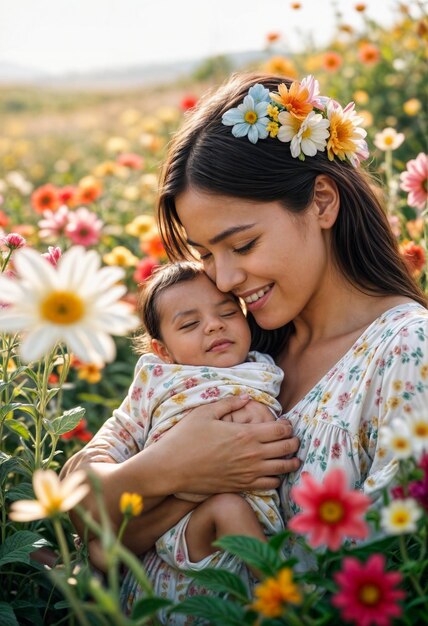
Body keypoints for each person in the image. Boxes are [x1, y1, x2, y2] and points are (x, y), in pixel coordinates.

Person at [62, 71, 428, 619]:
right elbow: (79, 497)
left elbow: (386, 581)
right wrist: (173, 467)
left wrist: (143, 507)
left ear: (322, 202)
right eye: (206, 253)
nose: (225, 278)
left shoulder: (405, 353)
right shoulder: (239, 341)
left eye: (243, 244)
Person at [87, 260, 285, 584]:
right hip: (183, 518)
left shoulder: (263, 366)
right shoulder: (157, 378)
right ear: (163, 351)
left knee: (230, 508)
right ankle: (286, 598)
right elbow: (123, 435)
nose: (213, 326)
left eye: (227, 313)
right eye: (190, 324)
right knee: (226, 508)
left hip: (250, 501)